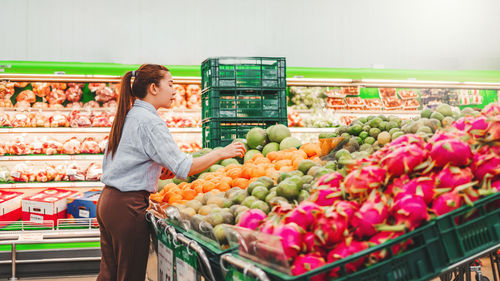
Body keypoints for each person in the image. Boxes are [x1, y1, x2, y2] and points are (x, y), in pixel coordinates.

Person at [97, 64, 246, 281]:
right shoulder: (150, 122)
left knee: (109, 275)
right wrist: (221, 153)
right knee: (129, 276)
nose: (174, 90)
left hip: (109, 202)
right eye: (170, 84)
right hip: (127, 208)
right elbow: (185, 168)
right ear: (153, 88)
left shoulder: (131, 115)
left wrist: (155, 170)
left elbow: (130, 161)